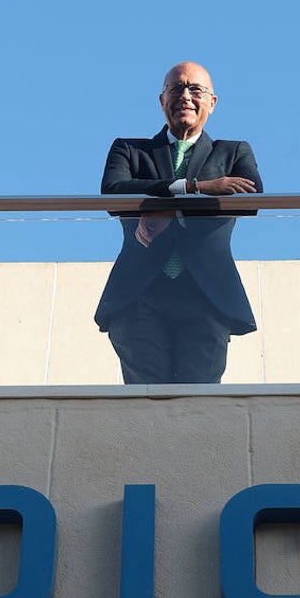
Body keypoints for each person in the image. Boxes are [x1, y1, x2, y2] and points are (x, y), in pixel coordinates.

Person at [94, 61, 262, 384]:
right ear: (162, 100)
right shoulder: (129, 150)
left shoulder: (233, 152)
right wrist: (193, 187)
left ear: (212, 103)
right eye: (176, 88)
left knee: (197, 404)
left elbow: (252, 198)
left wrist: (162, 206)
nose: (185, 96)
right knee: (147, 403)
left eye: (195, 89)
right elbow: (113, 193)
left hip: (206, 294)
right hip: (140, 295)